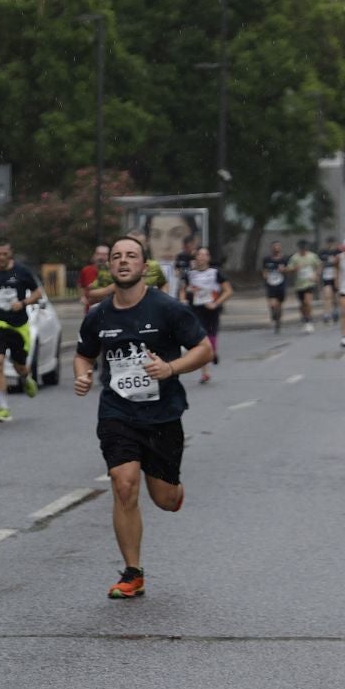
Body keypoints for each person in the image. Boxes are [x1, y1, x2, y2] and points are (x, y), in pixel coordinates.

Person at [74, 235, 213, 600]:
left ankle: (174, 492)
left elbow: (204, 349)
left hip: (163, 414)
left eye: (131, 256)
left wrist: (170, 368)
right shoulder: (98, 315)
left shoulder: (167, 308)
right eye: (117, 256)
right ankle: (132, 573)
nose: (123, 261)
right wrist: (83, 373)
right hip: (118, 412)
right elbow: (84, 354)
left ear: (143, 265)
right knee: (123, 483)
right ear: (110, 267)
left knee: (164, 499)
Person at [0, 238, 46, 423]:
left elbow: (38, 292)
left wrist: (24, 302)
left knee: (20, 367)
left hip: (18, 327)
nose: (1, 257)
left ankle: (26, 378)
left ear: (11, 254)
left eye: (5, 254)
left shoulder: (22, 271)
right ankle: (3, 408)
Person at [179, 245, 232, 384]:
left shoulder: (215, 273)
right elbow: (183, 290)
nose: (201, 257)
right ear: (196, 258)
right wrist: (183, 299)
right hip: (195, 310)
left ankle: (213, 353)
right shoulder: (190, 274)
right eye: (199, 255)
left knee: (211, 337)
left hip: (211, 310)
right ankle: (205, 373)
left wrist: (217, 303)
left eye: (204, 255)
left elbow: (228, 291)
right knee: (201, 341)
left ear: (208, 258)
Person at [289, 241, 321, 334]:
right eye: (301, 248)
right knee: (302, 304)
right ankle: (304, 317)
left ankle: (309, 321)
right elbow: (289, 269)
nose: (303, 249)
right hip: (299, 284)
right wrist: (295, 268)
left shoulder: (312, 256)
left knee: (308, 302)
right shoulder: (295, 258)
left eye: (304, 247)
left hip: (309, 283)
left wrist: (317, 274)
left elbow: (318, 265)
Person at [259, 239, 289, 334]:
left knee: (279, 304)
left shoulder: (284, 259)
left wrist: (284, 269)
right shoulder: (267, 259)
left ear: (280, 248)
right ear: (271, 248)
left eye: (278, 246)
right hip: (271, 283)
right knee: (272, 304)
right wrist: (265, 275)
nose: (276, 248)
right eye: (274, 247)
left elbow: (289, 269)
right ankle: (274, 315)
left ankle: (278, 322)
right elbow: (264, 270)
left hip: (281, 283)